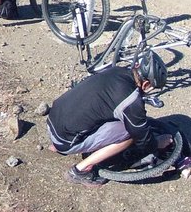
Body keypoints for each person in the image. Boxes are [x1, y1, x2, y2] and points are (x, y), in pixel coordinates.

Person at [46, 51, 173, 187]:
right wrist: (158, 143)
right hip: (65, 140)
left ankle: (59, 144)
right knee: (130, 132)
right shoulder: (130, 100)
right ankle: (79, 171)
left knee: (104, 114)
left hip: (53, 122)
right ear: (146, 84)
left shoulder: (116, 71)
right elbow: (142, 137)